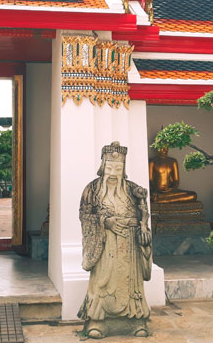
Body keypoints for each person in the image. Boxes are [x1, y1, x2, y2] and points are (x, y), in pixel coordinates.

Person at [78, 142, 152, 338]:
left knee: (132, 283)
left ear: (124, 169)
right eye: (109, 168)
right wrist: (104, 222)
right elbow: (85, 217)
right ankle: (97, 321)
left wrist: (143, 227)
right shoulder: (92, 190)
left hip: (130, 244)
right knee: (104, 281)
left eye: (118, 169)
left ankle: (136, 321)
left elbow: (144, 213)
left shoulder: (134, 190)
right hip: (105, 243)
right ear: (103, 166)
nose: (113, 173)